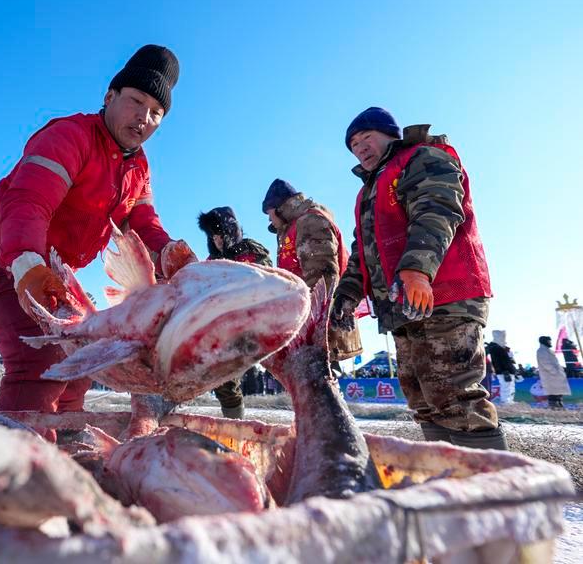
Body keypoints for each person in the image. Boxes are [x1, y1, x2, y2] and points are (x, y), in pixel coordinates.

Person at [0, 44, 196, 417]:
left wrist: (169, 253)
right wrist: (27, 265)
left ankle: (67, 442)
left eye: (156, 112)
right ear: (109, 97)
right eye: (136, 101)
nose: (144, 118)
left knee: (82, 362)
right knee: (41, 362)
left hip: (55, 274)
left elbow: (142, 223)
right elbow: (29, 201)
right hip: (2, 255)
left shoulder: (138, 168)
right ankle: (17, 451)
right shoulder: (71, 136)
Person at [332, 108, 506, 450]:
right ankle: (445, 472)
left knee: (454, 394)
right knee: (421, 398)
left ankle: (489, 479)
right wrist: (347, 294)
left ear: (390, 134)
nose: (360, 148)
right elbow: (362, 250)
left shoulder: (422, 157)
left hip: (443, 294)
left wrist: (417, 269)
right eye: (353, 145)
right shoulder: (368, 191)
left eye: (366, 138)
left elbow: (437, 209)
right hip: (400, 305)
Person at [262, 179, 363, 374]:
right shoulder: (294, 226)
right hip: (308, 323)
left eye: (269, 213)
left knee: (319, 380)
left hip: (317, 325)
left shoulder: (309, 222)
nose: (269, 220)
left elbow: (321, 277)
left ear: (280, 208)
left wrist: (309, 325)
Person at [197, 206, 271, 419]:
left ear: (230, 231)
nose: (217, 240)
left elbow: (267, 283)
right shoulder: (211, 262)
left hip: (256, 323)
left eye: (220, 235)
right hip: (222, 329)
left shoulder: (251, 251)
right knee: (223, 380)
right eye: (213, 236)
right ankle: (234, 421)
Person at [486, 330, 521, 405]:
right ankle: (505, 401)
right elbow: (498, 361)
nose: (504, 338)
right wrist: (504, 370)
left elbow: (506, 360)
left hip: (507, 370)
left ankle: (509, 400)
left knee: (510, 386)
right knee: (506, 386)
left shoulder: (499, 347)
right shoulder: (495, 347)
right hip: (504, 370)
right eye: (502, 336)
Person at [536, 336, 570, 409]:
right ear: (544, 341)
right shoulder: (541, 351)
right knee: (553, 392)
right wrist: (554, 372)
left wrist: (560, 370)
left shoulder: (547, 350)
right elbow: (545, 363)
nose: (550, 342)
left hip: (555, 375)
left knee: (558, 391)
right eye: (549, 341)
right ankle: (553, 406)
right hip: (550, 375)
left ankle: (559, 403)